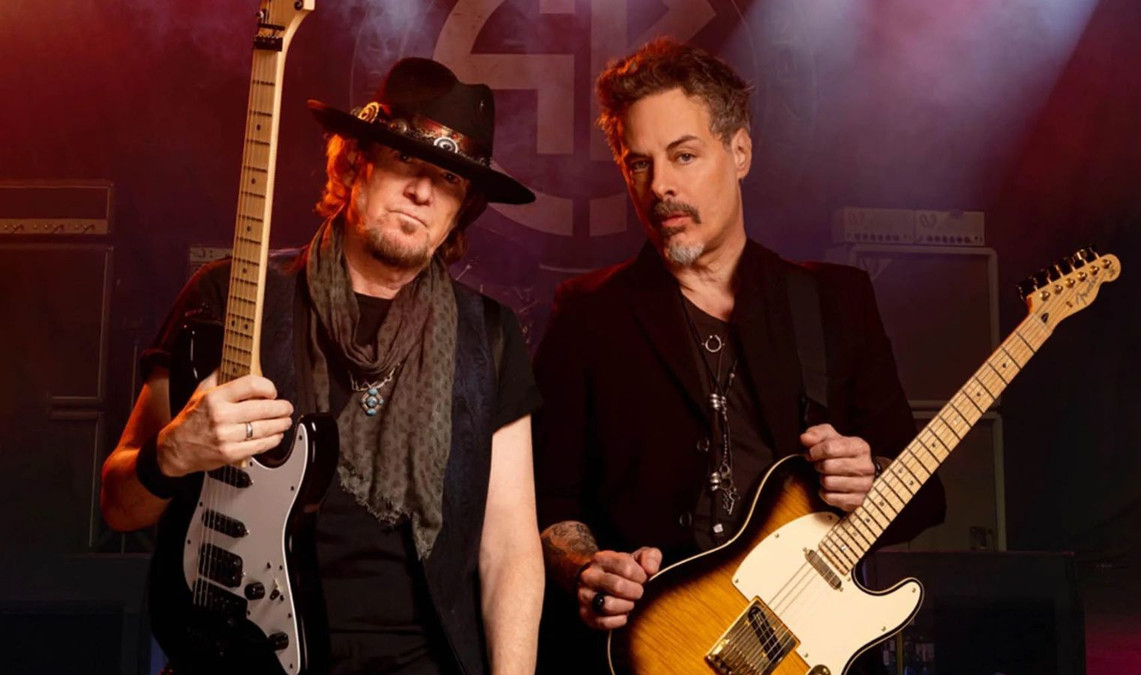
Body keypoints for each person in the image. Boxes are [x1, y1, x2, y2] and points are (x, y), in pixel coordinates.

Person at [100, 58, 544, 674]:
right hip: (244, 660)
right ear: (356, 162)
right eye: (405, 160)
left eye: (448, 179)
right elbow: (119, 506)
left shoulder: (489, 336)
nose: (422, 192)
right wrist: (173, 451)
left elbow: (510, 551)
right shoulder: (232, 297)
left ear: (461, 210)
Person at [532, 38, 946, 672]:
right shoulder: (587, 314)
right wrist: (585, 567)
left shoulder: (833, 301)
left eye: (684, 155)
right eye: (639, 163)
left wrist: (871, 477)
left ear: (741, 152)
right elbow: (547, 502)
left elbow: (925, 495)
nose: (660, 186)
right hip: (655, 651)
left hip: (798, 650)